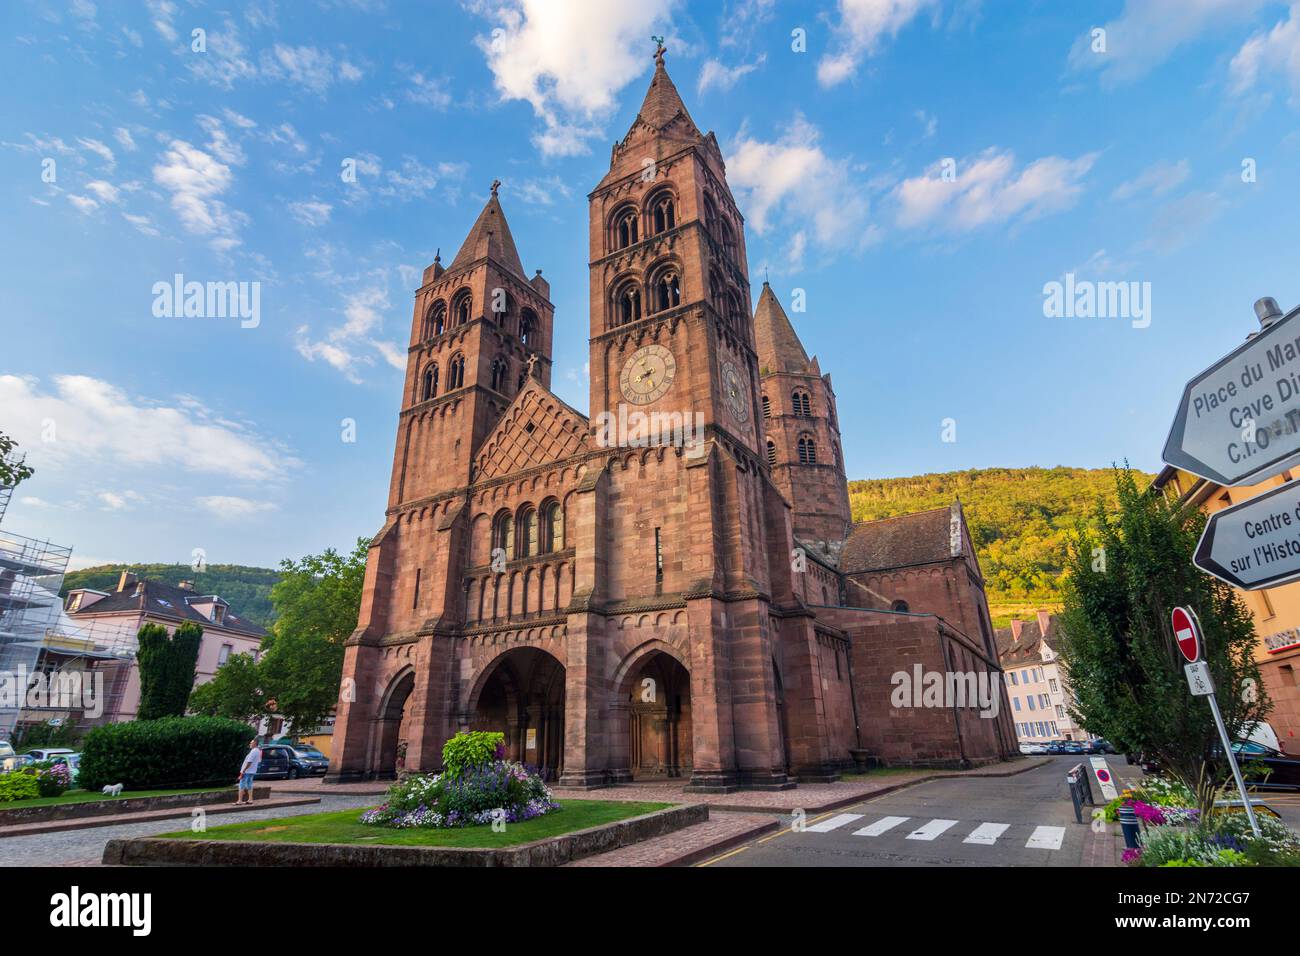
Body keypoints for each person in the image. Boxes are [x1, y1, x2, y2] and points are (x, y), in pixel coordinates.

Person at [236, 738, 262, 805]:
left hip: (247, 771)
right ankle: (250, 799)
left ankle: (240, 800)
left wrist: (243, 770)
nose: (250, 744)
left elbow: (249, 762)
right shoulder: (258, 751)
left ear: (255, 743)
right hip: (252, 771)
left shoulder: (253, 751)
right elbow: (259, 761)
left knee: (241, 784)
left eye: (251, 743)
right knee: (249, 784)